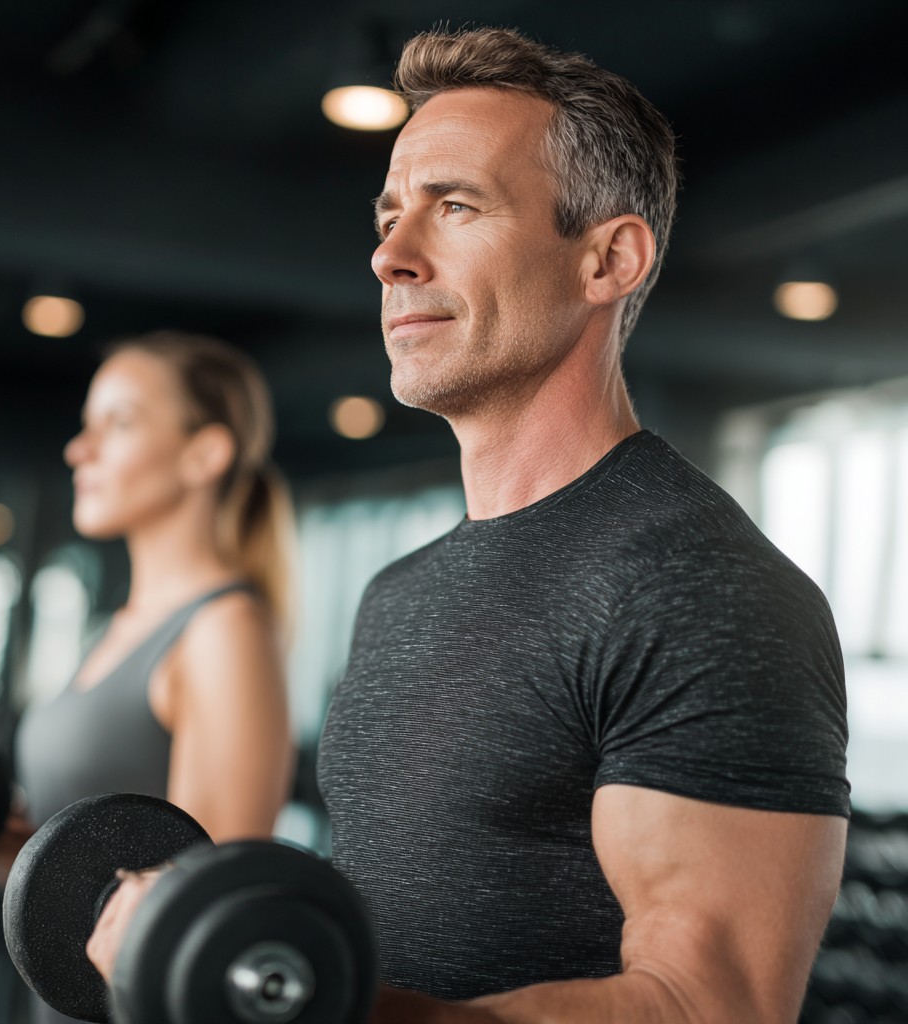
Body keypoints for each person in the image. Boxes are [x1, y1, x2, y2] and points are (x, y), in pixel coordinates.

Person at [88, 28, 849, 1024]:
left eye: (454, 206)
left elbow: (709, 1003)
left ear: (607, 259)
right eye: (390, 214)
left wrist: (308, 1005)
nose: (390, 256)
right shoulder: (398, 590)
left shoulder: (700, 587)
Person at [0, 332, 294, 1022]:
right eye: (85, 426)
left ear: (204, 454)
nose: (78, 451)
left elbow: (202, 915)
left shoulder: (223, 630)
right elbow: (87, 884)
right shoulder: (113, 629)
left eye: (116, 425)